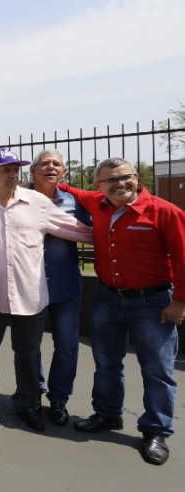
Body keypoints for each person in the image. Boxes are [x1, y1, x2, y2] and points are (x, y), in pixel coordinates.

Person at [60, 158, 185, 466]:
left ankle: (156, 430)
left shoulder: (164, 212)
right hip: (106, 298)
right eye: (110, 180)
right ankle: (107, 414)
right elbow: (67, 188)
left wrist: (180, 302)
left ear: (136, 177)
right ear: (98, 186)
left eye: (125, 177)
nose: (120, 184)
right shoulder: (96, 202)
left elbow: (184, 258)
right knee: (106, 362)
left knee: (157, 369)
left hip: (153, 302)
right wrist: (47, 183)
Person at [0, 148, 93, 433]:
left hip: (30, 295)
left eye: (16, 169)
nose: (13, 174)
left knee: (28, 352)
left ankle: (28, 404)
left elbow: (76, 230)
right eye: (6, 170)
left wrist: (117, 238)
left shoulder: (37, 203)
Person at [28, 149, 91, 426]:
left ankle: (58, 399)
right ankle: (33, 394)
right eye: (44, 163)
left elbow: (93, 233)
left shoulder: (76, 203)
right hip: (29, 285)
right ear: (32, 171)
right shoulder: (19, 199)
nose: (50, 167)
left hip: (65, 286)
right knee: (30, 347)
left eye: (57, 164)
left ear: (64, 172)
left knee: (67, 346)